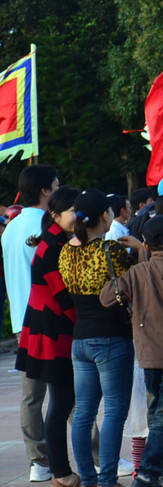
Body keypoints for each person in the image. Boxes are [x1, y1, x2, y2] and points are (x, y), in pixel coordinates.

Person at [59, 189, 140, 487]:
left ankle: (89, 479)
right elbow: (135, 282)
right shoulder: (111, 251)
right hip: (111, 337)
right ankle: (107, 479)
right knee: (115, 410)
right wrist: (140, 250)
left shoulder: (66, 251)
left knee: (83, 412)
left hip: (80, 339)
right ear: (104, 216)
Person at [100, 216, 163, 487]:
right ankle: (151, 474)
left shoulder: (138, 274)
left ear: (147, 245)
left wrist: (137, 261)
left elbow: (105, 298)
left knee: (158, 418)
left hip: (149, 355)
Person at [16, 186, 80, 487]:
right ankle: (61, 473)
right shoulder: (53, 247)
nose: (79, 217)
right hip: (52, 331)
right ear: (54, 215)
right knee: (60, 403)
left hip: (48, 328)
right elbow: (64, 299)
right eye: (73, 212)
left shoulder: (55, 241)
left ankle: (60, 471)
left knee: (60, 402)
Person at [4, 164, 60, 483]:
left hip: (21, 320)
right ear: (44, 190)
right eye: (56, 185)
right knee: (69, 389)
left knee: (31, 395)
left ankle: (37, 460)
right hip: (47, 316)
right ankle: (95, 454)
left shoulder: (11, 227)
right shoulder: (45, 223)